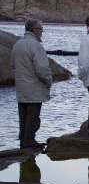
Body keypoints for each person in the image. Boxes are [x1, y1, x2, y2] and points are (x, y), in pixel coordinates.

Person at [10, 19, 53, 149]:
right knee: (33, 118)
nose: (42, 32)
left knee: (23, 118)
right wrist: (48, 80)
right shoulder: (36, 46)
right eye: (40, 29)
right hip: (34, 87)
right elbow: (42, 69)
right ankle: (29, 143)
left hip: (21, 87)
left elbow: (12, 65)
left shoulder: (18, 44)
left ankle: (24, 142)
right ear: (34, 30)